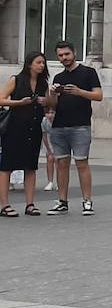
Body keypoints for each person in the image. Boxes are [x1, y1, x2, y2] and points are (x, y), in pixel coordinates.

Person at [48, 40, 103, 217]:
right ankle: (62, 201)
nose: (64, 58)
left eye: (67, 54)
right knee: (61, 164)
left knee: (81, 163)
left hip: (80, 125)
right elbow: (53, 105)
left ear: (74, 53)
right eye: (60, 56)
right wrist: (52, 94)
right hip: (59, 126)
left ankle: (87, 201)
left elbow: (98, 95)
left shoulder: (88, 72)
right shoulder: (58, 77)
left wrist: (79, 92)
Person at [0, 52, 51, 217]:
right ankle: (4, 204)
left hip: (34, 127)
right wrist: (18, 103)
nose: (42, 65)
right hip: (14, 127)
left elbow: (51, 103)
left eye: (43, 63)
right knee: (7, 165)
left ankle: (30, 204)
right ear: (30, 64)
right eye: (39, 62)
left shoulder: (43, 83)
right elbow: (1, 99)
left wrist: (47, 101)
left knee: (31, 166)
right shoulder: (16, 80)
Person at [42, 107, 56, 191]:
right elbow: (44, 136)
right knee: (50, 159)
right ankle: (50, 181)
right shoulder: (44, 121)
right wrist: (49, 149)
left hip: (58, 140)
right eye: (48, 113)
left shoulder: (59, 120)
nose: (50, 115)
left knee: (59, 161)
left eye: (52, 113)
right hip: (49, 140)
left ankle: (59, 182)